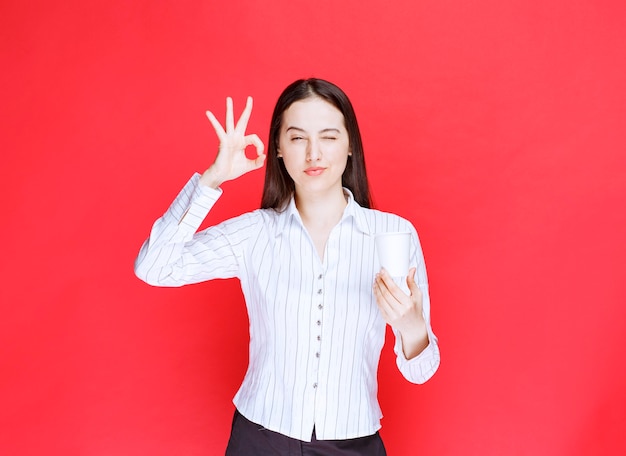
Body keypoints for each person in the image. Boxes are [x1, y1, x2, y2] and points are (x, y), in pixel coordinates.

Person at [134, 78, 440, 455]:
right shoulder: (255, 233)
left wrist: (411, 323)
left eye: (329, 137)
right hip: (259, 440)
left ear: (350, 148)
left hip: (354, 443)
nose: (314, 154)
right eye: (297, 138)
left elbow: (421, 370)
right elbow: (154, 267)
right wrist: (212, 179)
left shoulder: (394, 235)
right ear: (278, 148)